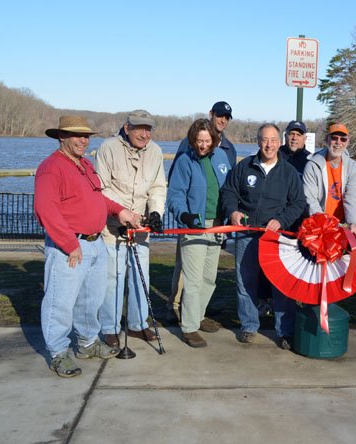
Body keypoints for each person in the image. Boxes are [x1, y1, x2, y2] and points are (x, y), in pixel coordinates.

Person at [34, 115, 143, 377]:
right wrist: (70, 245)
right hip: (70, 246)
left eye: (86, 136)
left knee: (90, 301)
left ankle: (87, 344)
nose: (83, 140)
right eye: (76, 135)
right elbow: (45, 210)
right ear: (62, 137)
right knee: (60, 302)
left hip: (95, 244)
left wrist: (121, 212)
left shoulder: (84, 165)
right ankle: (59, 353)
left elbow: (99, 200)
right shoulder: (51, 168)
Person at [220, 123, 306, 350]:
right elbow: (229, 191)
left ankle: (285, 330)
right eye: (264, 140)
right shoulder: (244, 166)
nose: (269, 144)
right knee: (245, 280)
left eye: (273, 140)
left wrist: (282, 221)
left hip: (276, 238)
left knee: (281, 284)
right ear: (258, 142)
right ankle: (249, 325)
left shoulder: (288, 172)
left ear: (280, 143)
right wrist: (232, 211)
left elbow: (298, 203)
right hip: (246, 235)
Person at [95, 110, 167, 347]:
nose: (145, 134)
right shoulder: (108, 148)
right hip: (113, 227)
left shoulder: (155, 151)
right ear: (127, 128)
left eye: (148, 129)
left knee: (141, 276)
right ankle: (110, 327)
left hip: (140, 228)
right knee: (113, 278)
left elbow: (157, 186)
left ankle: (138, 324)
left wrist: (155, 212)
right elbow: (102, 188)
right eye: (139, 129)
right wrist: (123, 214)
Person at [166, 101, 237, 324]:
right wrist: (184, 215)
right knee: (192, 279)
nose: (203, 145)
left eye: (207, 141)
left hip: (217, 225)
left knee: (209, 279)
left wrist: (231, 213)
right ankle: (188, 325)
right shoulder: (186, 158)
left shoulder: (224, 155)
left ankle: (196, 317)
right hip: (194, 225)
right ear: (193, 140)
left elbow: (230, 189)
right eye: (200, 141)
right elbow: (175, 193)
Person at [302, 123, 356, 234]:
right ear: (327, 139)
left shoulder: (353, 167)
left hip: (343, 225)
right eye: (334, 138)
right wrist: (325, 224)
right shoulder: (312, 165)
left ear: (347, 142)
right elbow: (309, 199)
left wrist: (352, 223)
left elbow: (352, 197)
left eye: (343, 139)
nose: (338, 142)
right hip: (318, 225)